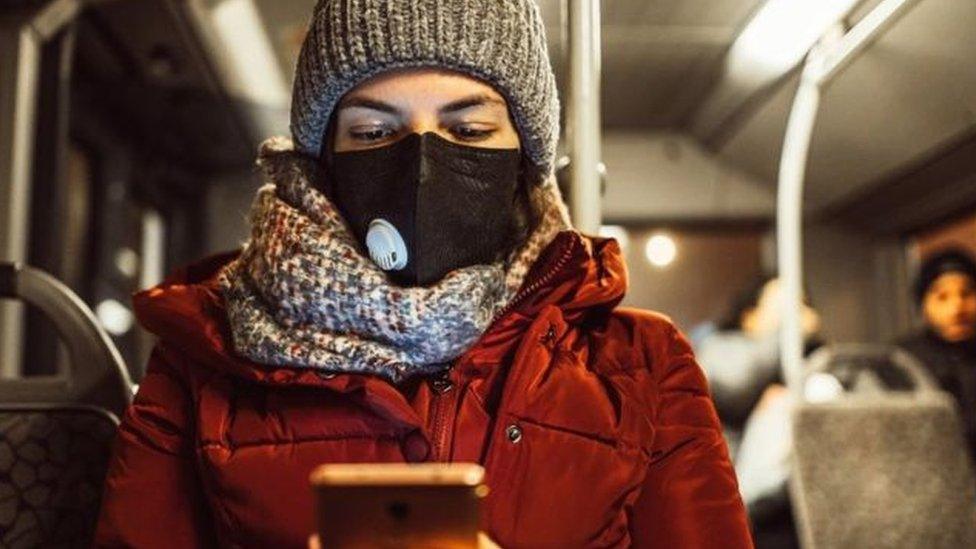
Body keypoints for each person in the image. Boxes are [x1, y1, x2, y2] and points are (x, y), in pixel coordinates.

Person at [94, 1, 751, 547]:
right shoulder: (204, 358)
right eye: (375, 133)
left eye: (468, 130)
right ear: (324, 162)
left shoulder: (641, 365)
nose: (422, 167)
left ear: (524, 158)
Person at [694, 276, 822, 549]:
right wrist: (790, 333)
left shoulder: (817, 362)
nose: (797, 315)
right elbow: (735, 384)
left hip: (796, 510)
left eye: (800, 306)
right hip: (736, 507)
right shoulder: (720, 348)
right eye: (783, 307)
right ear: (750, 317)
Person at [896, 248, 976, 458]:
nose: (957, 308)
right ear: (923, 305)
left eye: (966, 294)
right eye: (942, 297)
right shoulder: (903, 360)